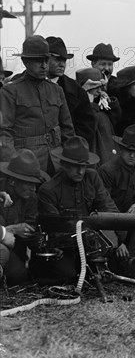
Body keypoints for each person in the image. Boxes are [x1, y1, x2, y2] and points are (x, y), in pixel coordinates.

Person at [36, 136, 121, 284]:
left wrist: (119, 237)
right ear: (64, 165)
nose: (80, 171)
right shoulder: (49, 191)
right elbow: (55, 229)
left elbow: (108, 207)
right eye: (75, 166)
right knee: (67, 275)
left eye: (83, 166)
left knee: (113, 264)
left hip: (90, 243)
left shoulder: (92, 177)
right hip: (64, 247)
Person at [0, 35, 75, 175]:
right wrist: (14, 168)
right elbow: (4, 134)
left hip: (57, 163)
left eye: (46, 60)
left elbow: (68, 130)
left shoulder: (56, 90)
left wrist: (72, 162)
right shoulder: (10, 91)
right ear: (25, 61)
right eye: (38, 61)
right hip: (26, 164)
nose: (44, 66)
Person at [98, 124, 135, 259]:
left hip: (130, 221)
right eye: (128, 150)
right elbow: (104, 206)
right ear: (121, 149)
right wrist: (119, 241)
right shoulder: (107, 171)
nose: (132, 155)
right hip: (112, 224)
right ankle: (128, 261)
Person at [0, 149, 49, 285]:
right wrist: (11, 230)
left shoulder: (31, 198)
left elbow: (31, 227)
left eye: (34, 183)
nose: (33, 189)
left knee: (19, 276)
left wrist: (43, 242)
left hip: (14, 247)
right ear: (12, 182)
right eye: (28, 183)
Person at [46, 36, 96, 148]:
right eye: (57, 59)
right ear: (44, 59)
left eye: (64, 60)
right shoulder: (23, 85)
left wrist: (73, 149)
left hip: (66, 155)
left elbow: (86, 128)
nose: (62, 64)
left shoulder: (77, 91)